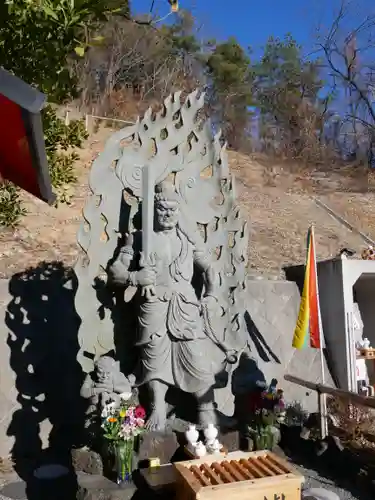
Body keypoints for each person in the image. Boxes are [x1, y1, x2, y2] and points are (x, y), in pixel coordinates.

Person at [108, 180, 225, 430]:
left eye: (172, 209)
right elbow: (115, 272)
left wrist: (212, 294)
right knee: (153, 356)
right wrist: (134, 277)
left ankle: (206, 409)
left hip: (184, 305)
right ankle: (157, 408)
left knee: (196, 356)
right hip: (153, 304)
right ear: (154, 211)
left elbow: (209, 269)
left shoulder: (187, 240)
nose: (168, 214)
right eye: (162, 209)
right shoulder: (140, 239)